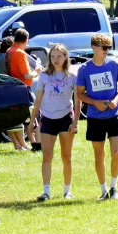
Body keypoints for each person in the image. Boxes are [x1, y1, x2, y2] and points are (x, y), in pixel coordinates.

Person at [74, 33, 118, 200]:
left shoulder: (114, 65)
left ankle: (114, 187)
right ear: (94, 48)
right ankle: (103, 190)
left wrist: (116, 99)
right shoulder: (84, 69)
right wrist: (94, 103)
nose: (107, 51)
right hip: (95, 117)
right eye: (104, 48)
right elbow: (79, 94)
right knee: (99, 155)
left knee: (116, 153)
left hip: (114, 115)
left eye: (109, 48)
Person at [30, 44, 78, 202]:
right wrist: (32, 122)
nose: (56, 60)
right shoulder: (44, 76)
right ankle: (46, 192)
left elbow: (78, 102)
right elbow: (38, 101)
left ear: (65, 57)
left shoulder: (72, 77)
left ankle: (67, 190)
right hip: (48, 118)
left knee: (67, 156)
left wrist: (75, 122)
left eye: (59, 56)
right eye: (53, 57)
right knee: (47, 156)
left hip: (65, 118)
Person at [3, 29, 35, 151]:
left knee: (15, 119)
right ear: (25, 39)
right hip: (23, 89)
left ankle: (19, 145)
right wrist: (36, 72)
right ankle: (31, 143)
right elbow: (27, 75)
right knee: (27, 118)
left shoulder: (9, 51)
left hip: (12, 87)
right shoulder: (19, 53)